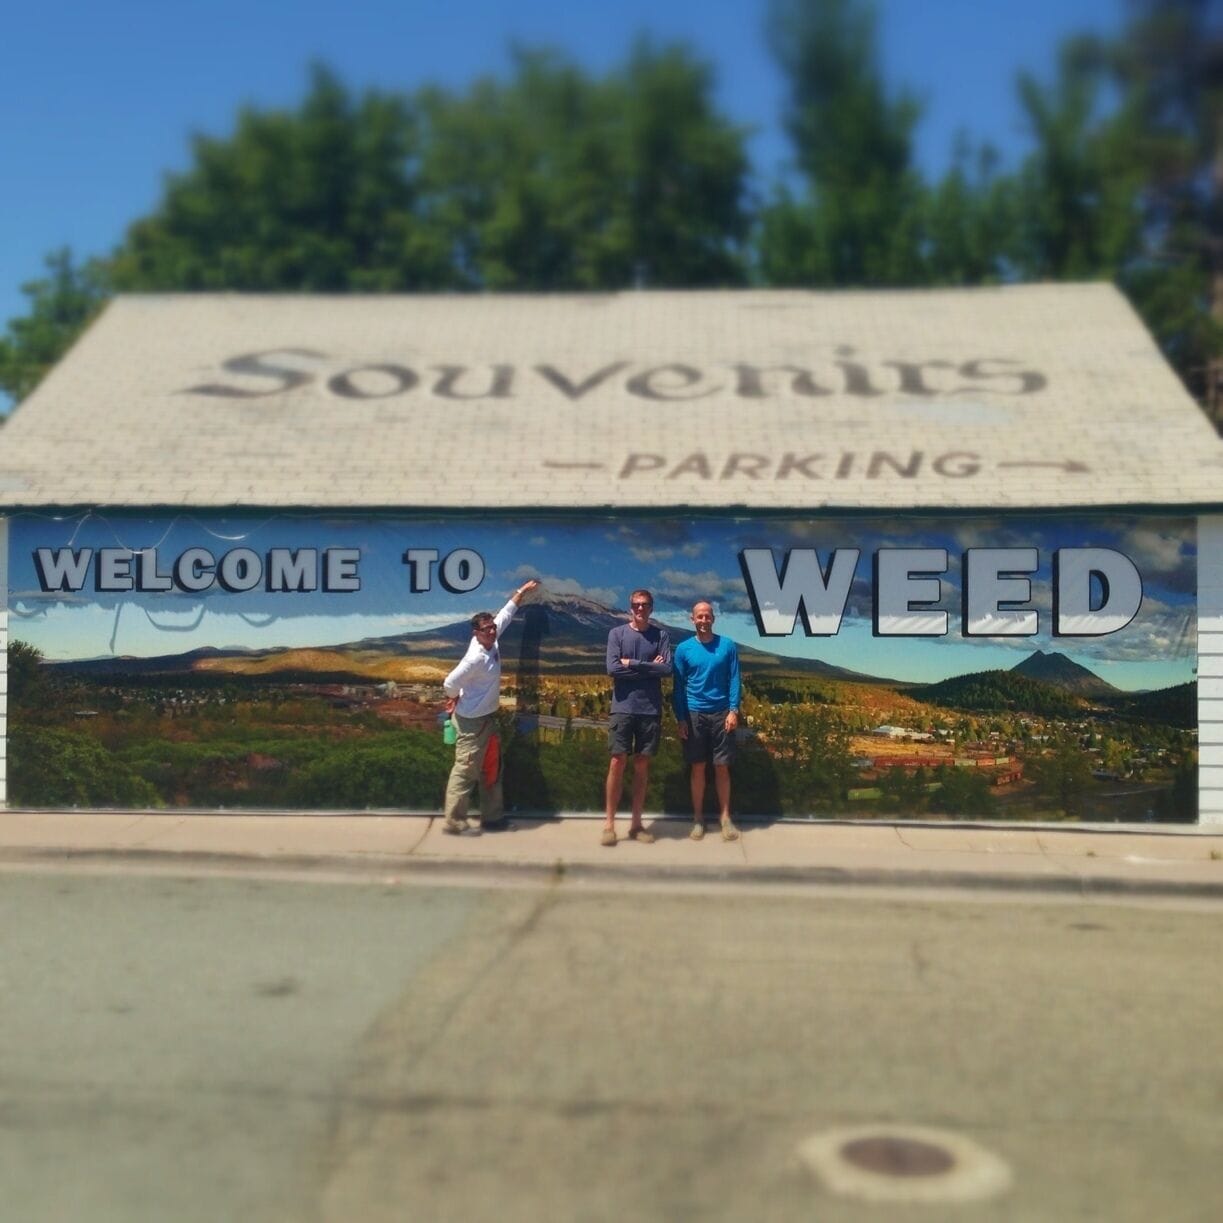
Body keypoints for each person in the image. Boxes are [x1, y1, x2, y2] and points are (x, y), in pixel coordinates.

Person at [441, 578, 540, 835]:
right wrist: (455, 697)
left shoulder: (492, 641)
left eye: (492, 628)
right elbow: (449, 682)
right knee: (465, 771)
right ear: (476, 633)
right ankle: (454, 821)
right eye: (486, 629)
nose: (492, 631)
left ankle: (493, 818)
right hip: (471, 724)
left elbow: (506, 614)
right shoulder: (475, 658)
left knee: (492, 769)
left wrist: (521, 592)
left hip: (488, 720)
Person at [602, 588, 672, 846]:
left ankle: (636, 824)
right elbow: (612, 669)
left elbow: (666, 669)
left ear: (651, 608)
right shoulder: (616, 634)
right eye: (636, 604)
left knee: (642, 766)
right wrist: (649, 668)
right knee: (616, 762)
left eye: (645, 604)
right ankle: (609, 824)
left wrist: (631, 663)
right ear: (630, 607)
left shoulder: (661, 635)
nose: (640, 608)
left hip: (649, 709)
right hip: (623, 708)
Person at [672, 600, 741, 841]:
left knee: (722, 767)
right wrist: (680, 718)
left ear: (713, 618)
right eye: (699, 616)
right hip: (694, 714)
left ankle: (725, 818)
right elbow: (678, 687)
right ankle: (698, 819)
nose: (703, 620)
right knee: (698, 767)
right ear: (692, 619)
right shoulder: (683, 649)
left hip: (722, 713)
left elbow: (734, 679)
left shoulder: (728, 646)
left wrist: (734, 710)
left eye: (707, 616)